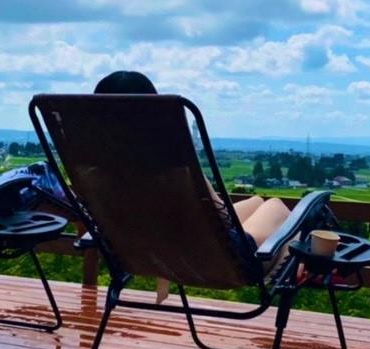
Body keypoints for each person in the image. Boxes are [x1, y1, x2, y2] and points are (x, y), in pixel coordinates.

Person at [92, 71, 292, 252]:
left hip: (143, 252)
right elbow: (222, 219)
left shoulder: (92, 166)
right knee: (276, 205)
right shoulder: (172, 160)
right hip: (215, 255)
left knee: (256, 202)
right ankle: (301, 268)